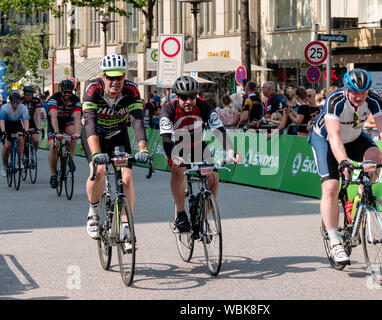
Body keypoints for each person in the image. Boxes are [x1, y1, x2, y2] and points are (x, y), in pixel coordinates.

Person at [309, 68, 382, 264]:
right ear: (346, 88)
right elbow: (334, 136)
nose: (360, 96)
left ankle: (362, 195)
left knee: (375, 156)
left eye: (364, 92)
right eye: (355, 92)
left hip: (353, 137)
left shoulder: (374, 99)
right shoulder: (335, 100)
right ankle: (335, 243)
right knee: (331, 186)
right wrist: (343, 161)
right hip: (326, 139)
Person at [81, 54, 150, 243]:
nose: (114, 81)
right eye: (110, 77)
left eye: (119, 76)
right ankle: (93, 212)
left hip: (118, 134)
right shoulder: (92, 89)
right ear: (103, 76)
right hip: (96, 135)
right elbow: (90, 123)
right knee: (100, 171)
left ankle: (127, 226)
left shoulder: (131, 90)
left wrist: (143, 148)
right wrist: (96, 154)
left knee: (126, 179)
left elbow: (137, 121)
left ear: (124, 76)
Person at [159, 75, 241, 233]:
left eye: (192, 97)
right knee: (178, 171)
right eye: (184, 98)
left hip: (198, 146)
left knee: (213, 177)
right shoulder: (168, 109)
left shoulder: (205, 107)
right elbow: (166, 138)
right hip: (176, 146)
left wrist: (231, 152)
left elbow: (219, 131)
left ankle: (203, 219)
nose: (188, 101)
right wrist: (174, 157)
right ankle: (181, 214)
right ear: (177, 97)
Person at [47, 79, 82, 189]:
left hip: (67, 122)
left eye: (69, 92)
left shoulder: (75, 100)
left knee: (74, 134)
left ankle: (70, 158)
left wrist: (77, 133)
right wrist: (57, 132)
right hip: (54, 123)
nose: (67, 94)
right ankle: (53, 174)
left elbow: (77, 118)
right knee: (55, 146)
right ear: (61, 90)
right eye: (65, 92)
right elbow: (53, 117)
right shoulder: (54, 99)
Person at [0, 92, 30, 176]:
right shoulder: (4, 108)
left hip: (17, 125)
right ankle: (4, 166)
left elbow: (26, 121)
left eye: (17, 102)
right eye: (13, 102)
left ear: (20, 102)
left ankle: (20, 161)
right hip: (7, 125)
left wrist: (26, 130)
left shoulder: (23, 108)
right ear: (10, 102)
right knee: (6, 146)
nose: (15, 104)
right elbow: (1, 121)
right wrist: (3, 132)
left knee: (20, 139)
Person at [21, 85, 42, 152]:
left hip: (31, 121)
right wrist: (23, 127)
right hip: (21, 121)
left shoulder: (36, 100)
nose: (29, 96)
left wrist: (39, 125)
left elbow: (38, 114)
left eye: (30, 94)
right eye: (27, 94)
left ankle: (33, 154)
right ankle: (22, 153)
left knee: (36, 140)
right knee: (22, 139)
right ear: (24, 94)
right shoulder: (20, 101)